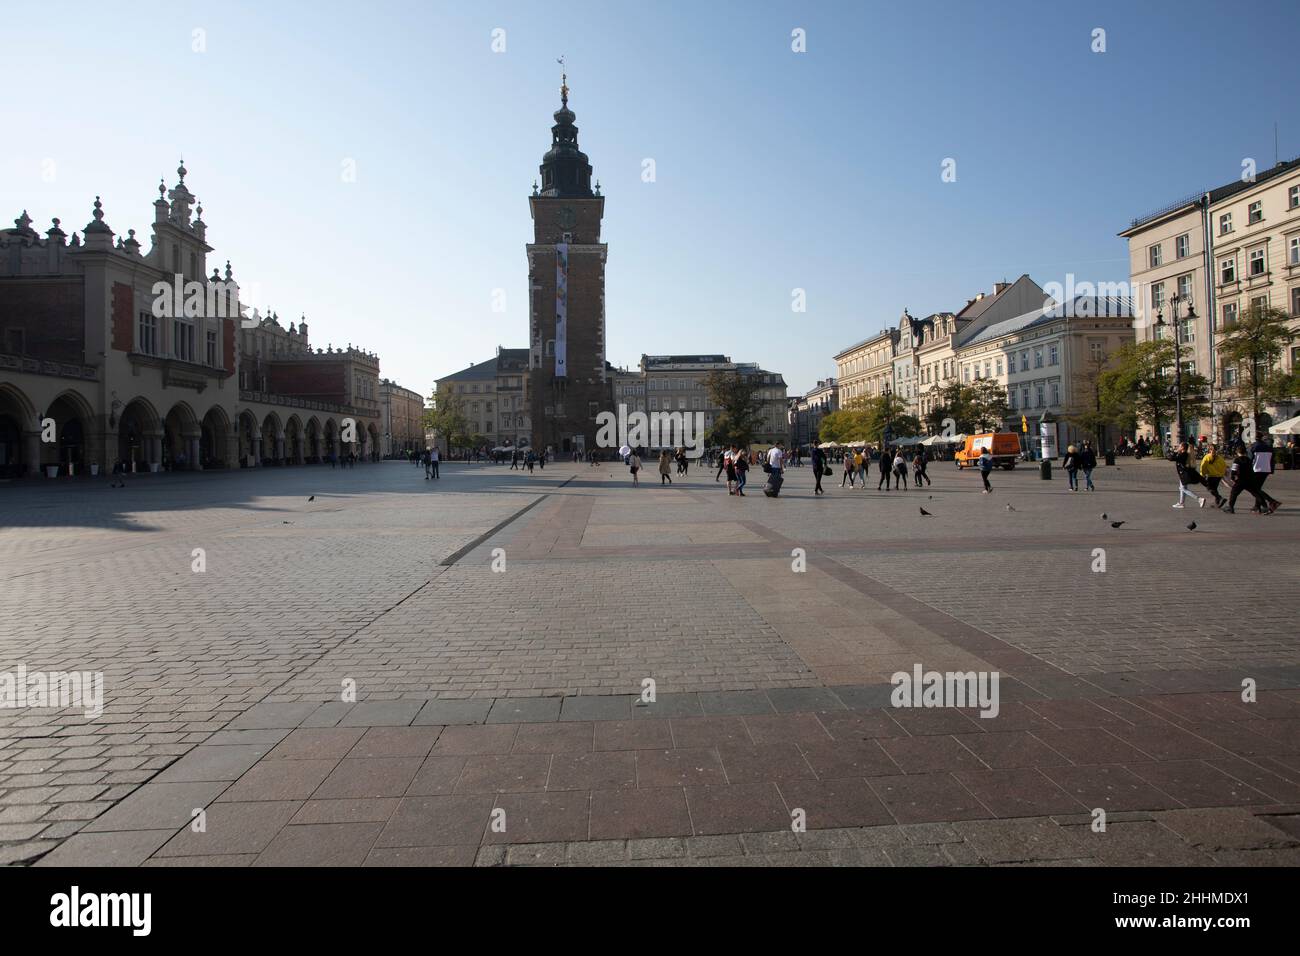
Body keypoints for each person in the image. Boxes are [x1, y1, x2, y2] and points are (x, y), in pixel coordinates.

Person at [1250, 436, 1282, 514]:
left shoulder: (1255, 447)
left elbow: (1251, 458)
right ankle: (1257, 506)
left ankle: (1272, 501)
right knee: (1258, 488)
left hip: (1256, 469)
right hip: (1266, 470)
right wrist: (1271, 470)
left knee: (1255, 489)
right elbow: (1272, 460)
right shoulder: (1269, 448)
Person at [1171, 440, 1205, 509]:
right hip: (1183, 474)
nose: (1178, 447)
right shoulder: (1182, 454)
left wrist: (1174, 453)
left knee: (1182, 489)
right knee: (1183, 488)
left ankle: (1199, 499)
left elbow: (1172, 458)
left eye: (1180, 446)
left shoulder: (1184, 454)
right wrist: (1177, 452)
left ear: (1183, 447)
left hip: (1184, 474)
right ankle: (1181, 503)